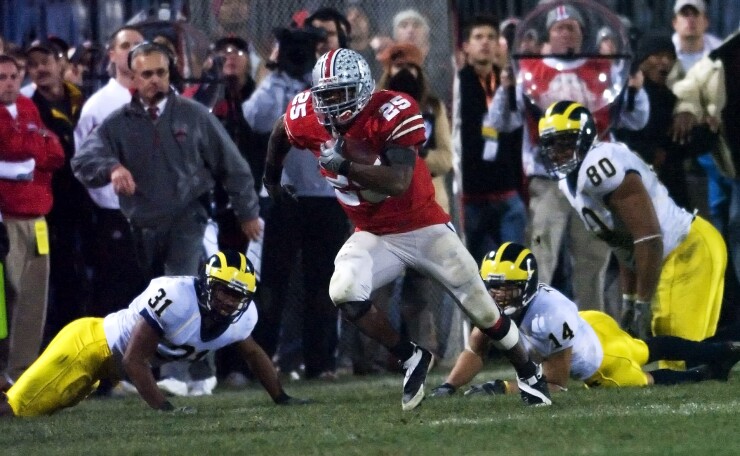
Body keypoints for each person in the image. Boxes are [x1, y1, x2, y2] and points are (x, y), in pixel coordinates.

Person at [264, 48, 552, 410]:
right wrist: (271, 181)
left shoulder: (393, 110)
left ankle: (529, 372)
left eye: (341, 94)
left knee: (482, 309)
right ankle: (410, 355)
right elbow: (279, 134)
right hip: (373, 232)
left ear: (363, 89)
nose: (332, 104)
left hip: (423, 225)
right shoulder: (307, 113)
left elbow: (398, 182)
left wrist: (346, 166)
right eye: (326, 95)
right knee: (344, 289)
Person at [72, 42, 262, 395]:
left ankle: (181, 376)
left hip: (188, 217)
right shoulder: (118, 123)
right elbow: (83, 161)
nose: (155, 80)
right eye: (147, 74)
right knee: (149, 302)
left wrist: (247, 212)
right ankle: (186, 372)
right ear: (132, 77)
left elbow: (234, 167)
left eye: (161, 72)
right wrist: (111, 168)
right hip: (139, 226)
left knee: (181, 286)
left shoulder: (194, 115)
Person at [0, 251, 309, 417]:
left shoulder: (242, 317)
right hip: (89, 347)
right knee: (16, 410)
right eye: (224, 291)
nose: (230, 301)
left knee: (33, 409)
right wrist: (165, 409)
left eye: (237, 295)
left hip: (108, 367)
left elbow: (254, 355)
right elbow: (135, 360)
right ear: (206, 284)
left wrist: (281, 397)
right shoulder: (175, 296)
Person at [490, 2, 649, 316]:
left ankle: (596, 333)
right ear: (549, 33)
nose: (565, 34)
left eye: (571, 28)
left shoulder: (603, 68)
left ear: (581, 33)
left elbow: (634, 120)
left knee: (593, 261)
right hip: (548, 178)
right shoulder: (531, 69)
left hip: (594, 178)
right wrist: (506, 90)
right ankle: (535, 330)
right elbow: (502, 121)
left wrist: (636, 90)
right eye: (559, 28)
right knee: (541, 255)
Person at [537, 100, 727, 360]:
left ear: (585, 139)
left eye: (566, 142)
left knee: (674, 354)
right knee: (690, 357)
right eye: (552, 144)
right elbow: (625, 243)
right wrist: (629, 298)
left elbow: (648, 237)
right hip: (679, 252)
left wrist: (642, 303)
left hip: (686, 250)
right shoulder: (569, 184)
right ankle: (726, 356)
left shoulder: (600, 166)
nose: (558, 151)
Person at [429, 242, 740, 397]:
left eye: (507, 289)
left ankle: (705, 371)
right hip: (590, 323)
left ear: (525, 286)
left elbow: (556, 383)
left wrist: (504, 387)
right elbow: (475, 351)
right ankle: (723, 351)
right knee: (647, 348)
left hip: (603, 360)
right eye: (493, 288)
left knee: (643, 377)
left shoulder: (547, 316)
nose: (498, 297)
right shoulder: (504, 306)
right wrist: (448, 387)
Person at [244, 25, 347, 381]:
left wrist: (313, 77)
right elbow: (253, 118)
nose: (298, 57)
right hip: (283, 198)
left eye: (304, 50)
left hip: (325, 197)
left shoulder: (325, 84)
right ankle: (260, 361)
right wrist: (276, 74)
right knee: (272, 283)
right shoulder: (275, 88)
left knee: (324, 284)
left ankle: (322, 364)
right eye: (292, 50)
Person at [0, 54, 65, 391]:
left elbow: (53, 154)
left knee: (32, 300)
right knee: (3, 302)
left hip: (36, 217)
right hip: (5, 219)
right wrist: (28, 149)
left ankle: (21, 375)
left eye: (12, 76)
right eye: (1, 77)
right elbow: (14, 147)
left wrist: (27, 152)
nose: (8, 83)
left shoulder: (27, 106)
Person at [73, 25, 145, 318]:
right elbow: (83, 160)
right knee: (117, 298)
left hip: (160, 215)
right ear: (112, 54)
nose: (133, 52)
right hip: (116, 216)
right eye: (126, 45)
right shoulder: (98, 105)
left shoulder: (166, 99)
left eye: (139, 46)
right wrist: (110, 199)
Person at [26, 40, 94, 343]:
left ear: (60, 64)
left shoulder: (81, 100)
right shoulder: (29, 110)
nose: (40, 69)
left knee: (89, 279)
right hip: (52, 209)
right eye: (33, 64)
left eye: (46, 61)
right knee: (56, 283)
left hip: (89, 204)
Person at [672, 29, 740, 331]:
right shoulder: (724, 55)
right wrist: (688, 109)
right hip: (734, 167)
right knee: (734, 233)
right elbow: (689, 87)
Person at [454, 14, 526, 263]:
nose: (485, 43)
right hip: (471, 195)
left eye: (491, 37)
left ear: (499, 45)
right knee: (474, 271)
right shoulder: (457, 84)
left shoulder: (510, 83)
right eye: (478, 37)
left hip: (507, 192)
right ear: (466, 46)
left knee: (514, 267)